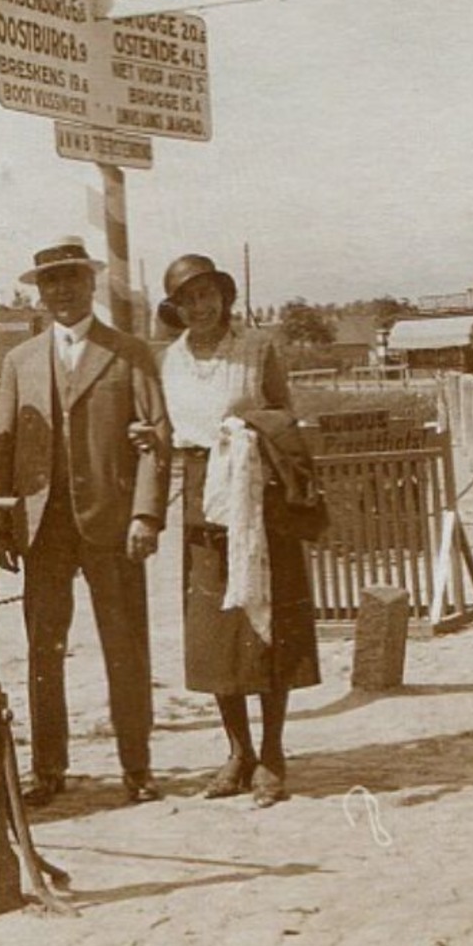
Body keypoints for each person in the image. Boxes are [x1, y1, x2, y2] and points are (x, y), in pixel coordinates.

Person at [0, 236, 171, 806]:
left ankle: (137, 767)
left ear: (91, 283)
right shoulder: (19, 361)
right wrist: (2, 521)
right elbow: (5, 446)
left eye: (72, 278)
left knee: (125, 646)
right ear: (39, 293)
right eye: (51, 282)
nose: (62, 290)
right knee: (44, 650)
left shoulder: (129, 352)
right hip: (43, 527)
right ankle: (48, 770)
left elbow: (155, 440)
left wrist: (146, 514)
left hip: (113, 524)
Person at [156, 254, 321, 808]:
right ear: (175, 309)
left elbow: (285, 417)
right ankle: (238, 751)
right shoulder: (169, 362)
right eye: (188, 299)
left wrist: (250, 431)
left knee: (267, 623)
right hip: (204, 496)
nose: (200, 307)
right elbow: (166, 432)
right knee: (217, 630)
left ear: (224, 298)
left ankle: (273, 754)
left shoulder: (257, 348)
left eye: (208, 295)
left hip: (259, 491)